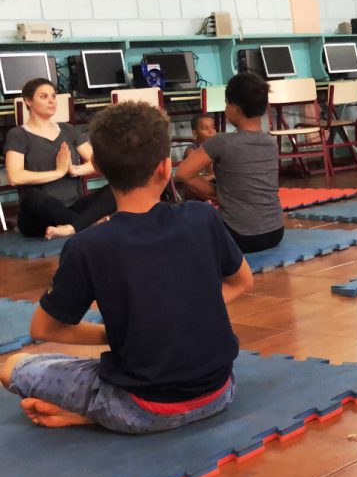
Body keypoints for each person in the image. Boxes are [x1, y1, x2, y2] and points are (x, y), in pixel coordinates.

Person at [0, 102, 253, 434]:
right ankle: (95, 411)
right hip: (219, 393)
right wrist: (176, 318)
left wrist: (118, 334)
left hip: (141, 408)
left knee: (13, 366)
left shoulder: (88, 245)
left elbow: (43, 330)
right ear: (165, 167)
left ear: (100, 169)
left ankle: (100, 411)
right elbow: (241, 282)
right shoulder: (202, 216)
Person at [176, 73, 283, 253]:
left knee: (186, 217)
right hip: (275, 233)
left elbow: (182, 174)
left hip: (239, 237)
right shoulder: (271, 142)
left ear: (236, 108)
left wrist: (217, 194)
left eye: (226, 103)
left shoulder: (221, 142)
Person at [4, 78, 116, 240]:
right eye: (44, 97)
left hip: (73, 207)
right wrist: (58, 172)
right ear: (28, 101)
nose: (51, 101)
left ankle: (72, 226)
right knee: (32, 196)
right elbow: (15, 177)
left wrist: (76, 169)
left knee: (117, 187)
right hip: (38, 217)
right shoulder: (18, 135)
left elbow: (99, 162)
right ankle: (86, 224)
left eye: (53, 96)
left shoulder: (68, 130)